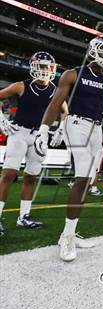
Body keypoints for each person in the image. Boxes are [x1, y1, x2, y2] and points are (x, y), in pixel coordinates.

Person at [34, 36, 103, 261]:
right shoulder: (74, 73)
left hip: (96, 129)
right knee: (81, 177)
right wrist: (43, 130)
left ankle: (70, 232)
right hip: (75, 123)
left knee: (87, 180)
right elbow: (55, 102)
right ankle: (67, 237)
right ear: (93, 51)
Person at [0, 52, 66, 236]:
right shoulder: (21, 86)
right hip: (19, 133)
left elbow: (65, 111)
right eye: (42, 66)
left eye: (48, 67)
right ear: (34, 66)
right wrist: (1, 119)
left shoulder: (55, 90)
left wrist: (61, 129)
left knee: (31, 177)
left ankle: (24, 217)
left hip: (39, 136)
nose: (45, 70)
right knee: (9, 174)